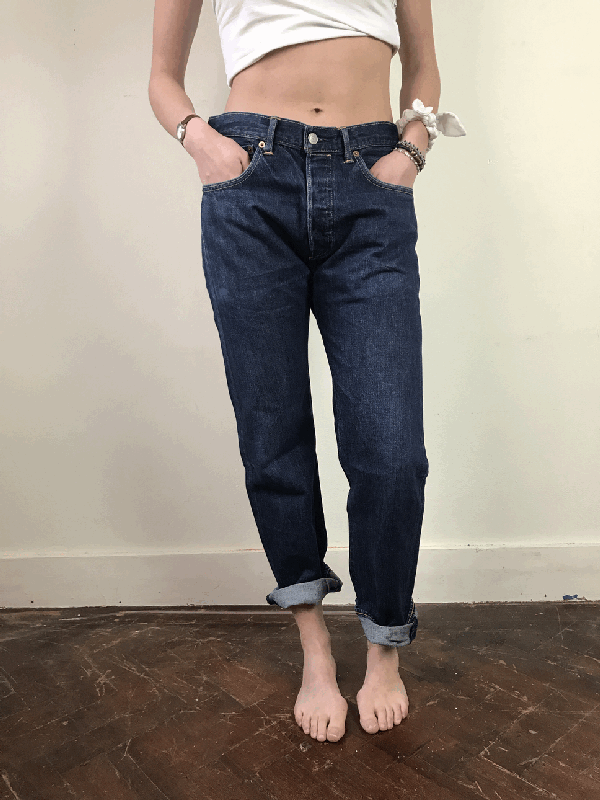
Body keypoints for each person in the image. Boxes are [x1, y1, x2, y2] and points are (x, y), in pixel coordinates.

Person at [149, 0, 465, 744]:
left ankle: (384, 645)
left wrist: (411, 148)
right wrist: (202, 141)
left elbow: (422, 64)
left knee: (392, 451)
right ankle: (314, 646)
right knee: (273, 431)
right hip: (251, 179)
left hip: (370, 179)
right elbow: (162, 77)